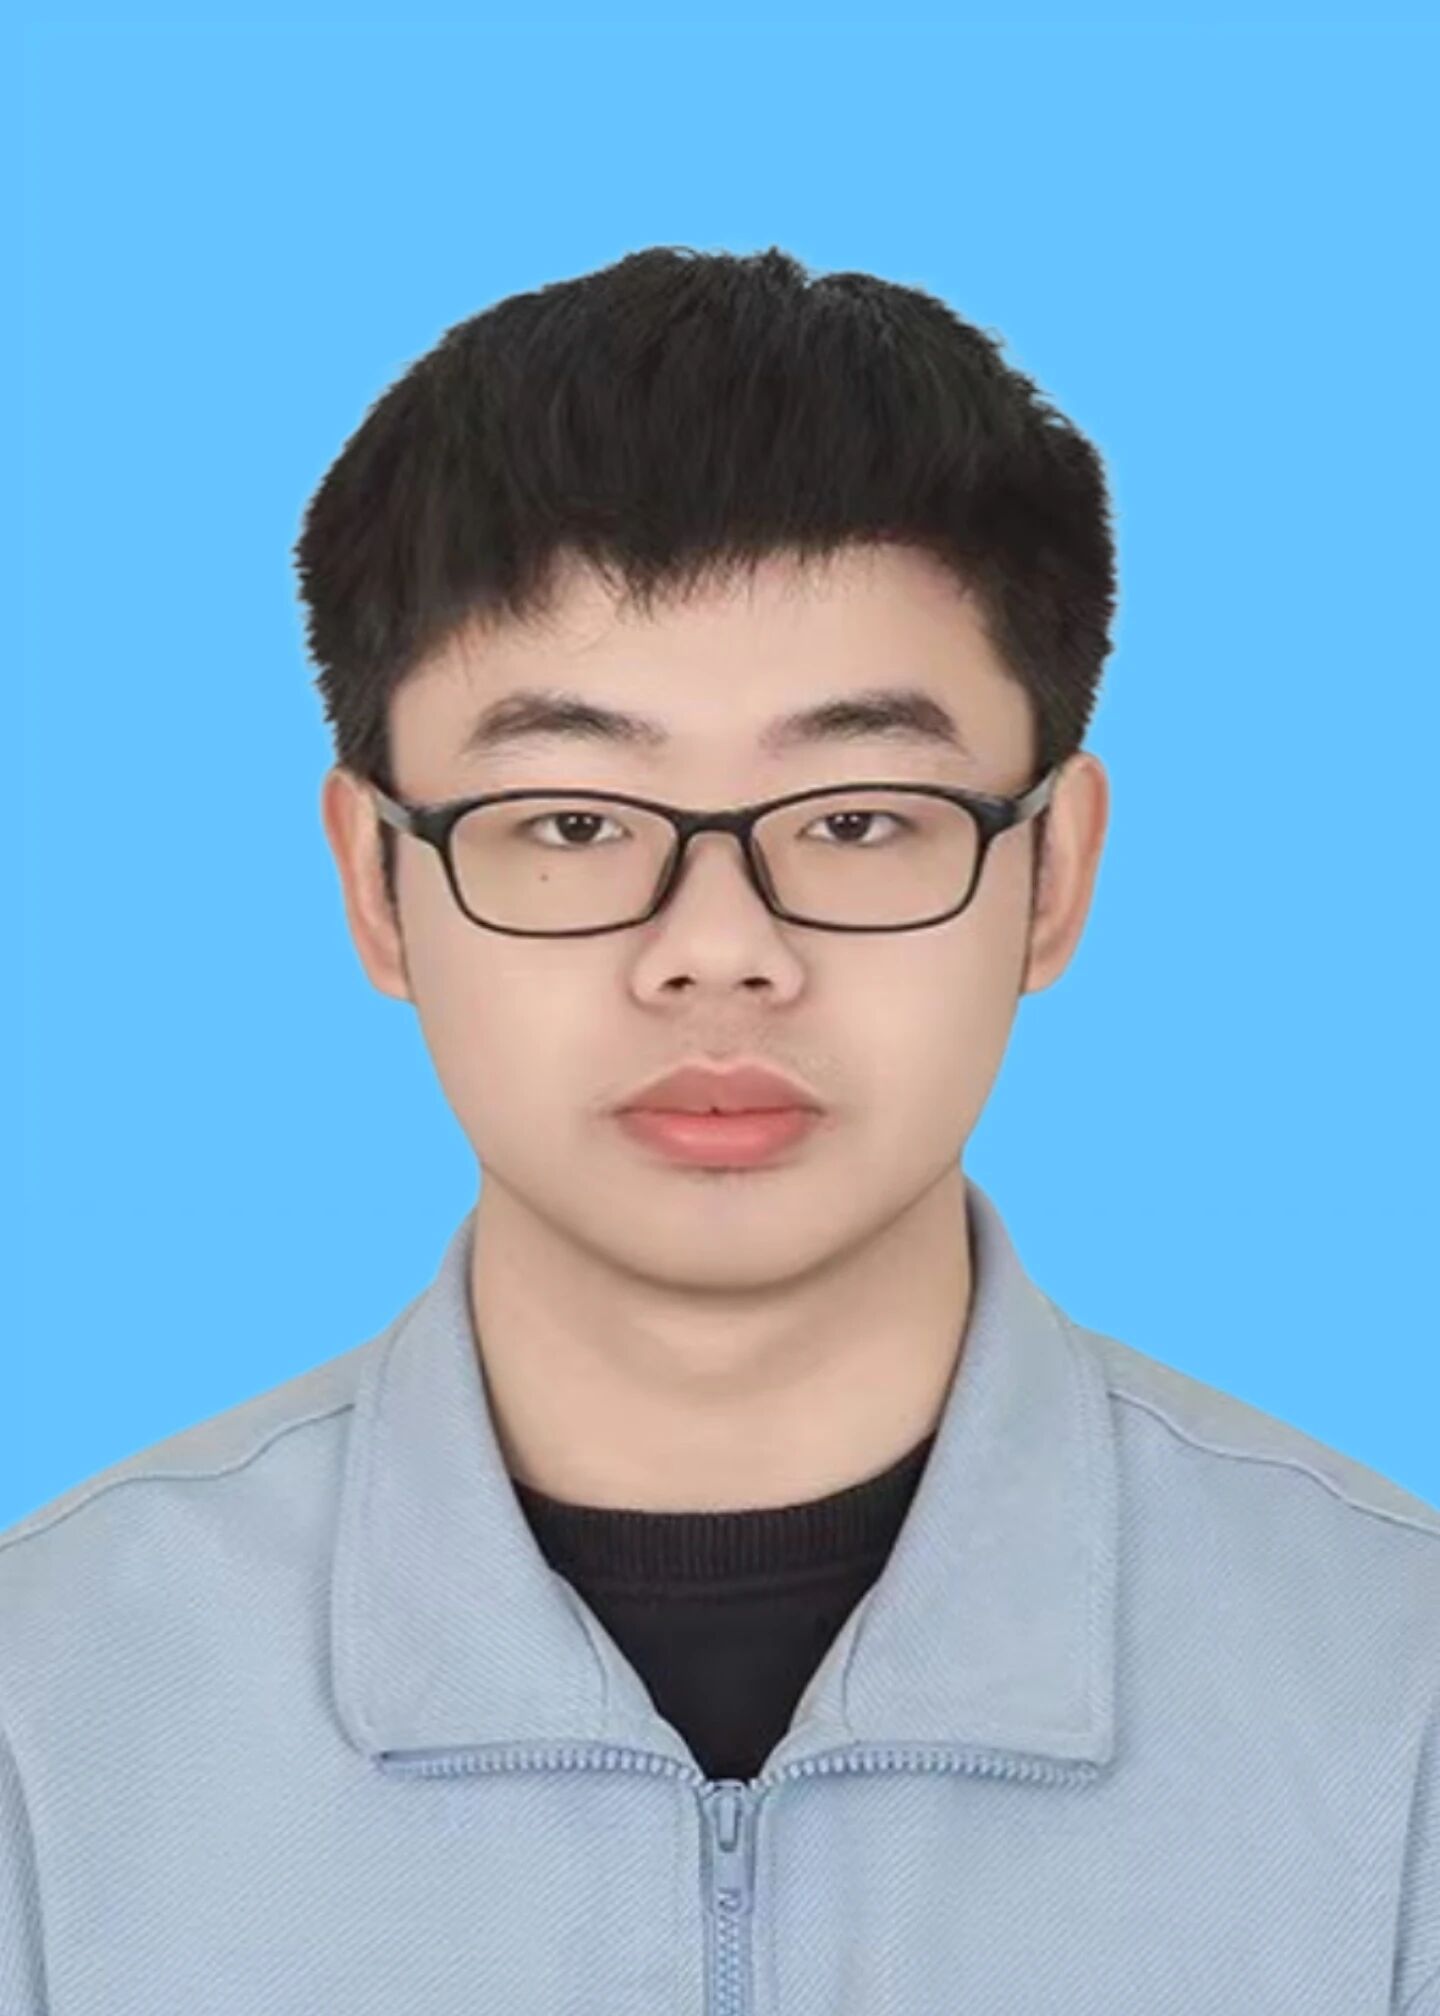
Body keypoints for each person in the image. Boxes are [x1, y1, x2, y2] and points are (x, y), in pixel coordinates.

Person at [3, 247, 1437, 2015]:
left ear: (1054, 871)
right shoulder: (47, 1722)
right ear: (377, 882)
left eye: (856, 818)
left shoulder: (1398, 1704)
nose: (718, 953)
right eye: (572, 822)